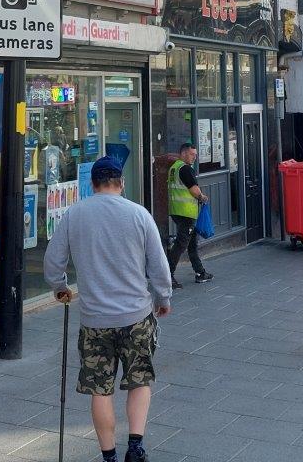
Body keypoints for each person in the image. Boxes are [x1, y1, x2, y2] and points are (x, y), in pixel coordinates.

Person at [45, 157, 171, 462]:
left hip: (94, 321)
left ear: (93, 184)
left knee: (100, 390)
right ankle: (136, 447)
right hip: (136, 316)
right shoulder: (139, 214)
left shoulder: (75, 215)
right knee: (139, 381)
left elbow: (53, 261)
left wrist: (60, 286)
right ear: (121, 182)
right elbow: (158, 265)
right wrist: (162, 298)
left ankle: (109, 455)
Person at [166, 142, 211, 288]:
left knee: (192, 244)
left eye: (196, 155)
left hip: (176, 211)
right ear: (184, 153)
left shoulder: (174, 168)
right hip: (186, 213)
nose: (195, 157)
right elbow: (193, 190)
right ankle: (167, 275)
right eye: (192, 154)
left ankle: (200, 273)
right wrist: (202, 197)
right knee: (180, 244)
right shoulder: (185, 169)